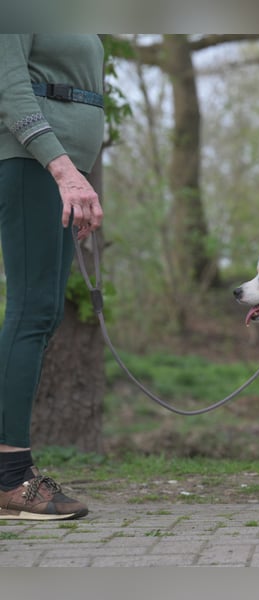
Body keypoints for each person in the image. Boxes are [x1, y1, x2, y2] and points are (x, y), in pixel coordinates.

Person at [0, 34, 105, 520]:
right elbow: (10, 87)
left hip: (58, 168)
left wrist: (75, 174)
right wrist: (63, 170)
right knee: (31, 309)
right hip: (32, 163)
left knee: (42, 313)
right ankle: (9, 478)